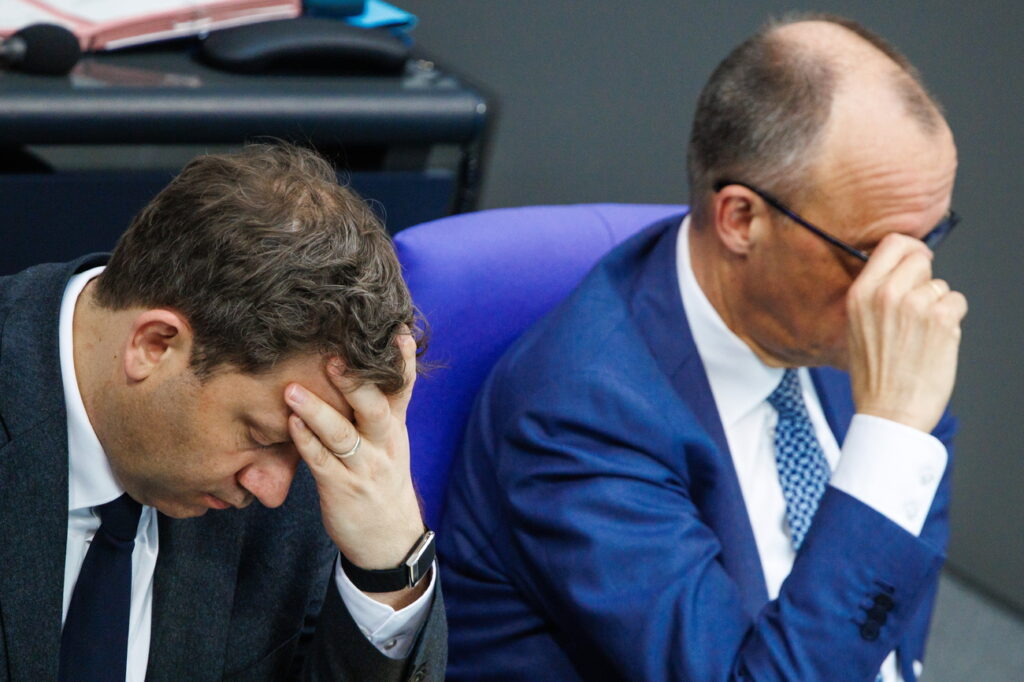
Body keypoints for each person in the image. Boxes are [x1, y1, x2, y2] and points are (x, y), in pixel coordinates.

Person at [440, 13, 965, 682]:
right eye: (872, 252)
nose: (910, 287)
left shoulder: (861, 332)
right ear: (741, 219)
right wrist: (890, 440)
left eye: (929, 237)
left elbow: (888, 623)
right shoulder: (579, 416)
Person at [0, 143, 445, 681]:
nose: (274, 491)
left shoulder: (311, 466)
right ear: (155, 345)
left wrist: (388, 566)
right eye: (259, 436)